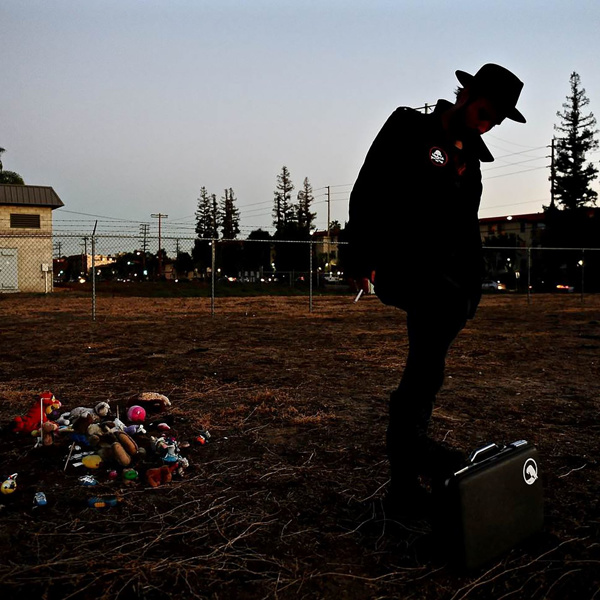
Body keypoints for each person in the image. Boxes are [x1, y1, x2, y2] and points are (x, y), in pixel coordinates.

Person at [346, 63, 526, 514]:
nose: (488, 125)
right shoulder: (409, 126)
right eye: (485, 113)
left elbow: (467, 230)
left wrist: (473, 288)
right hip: (402, 265)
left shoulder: (471, 161)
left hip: (446, 282)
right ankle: (427, 459)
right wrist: (360, 257)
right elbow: (367, 188)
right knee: (428, 358)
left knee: (424, 376)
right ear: (466, 95)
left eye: (496, 121)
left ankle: (405, 487)